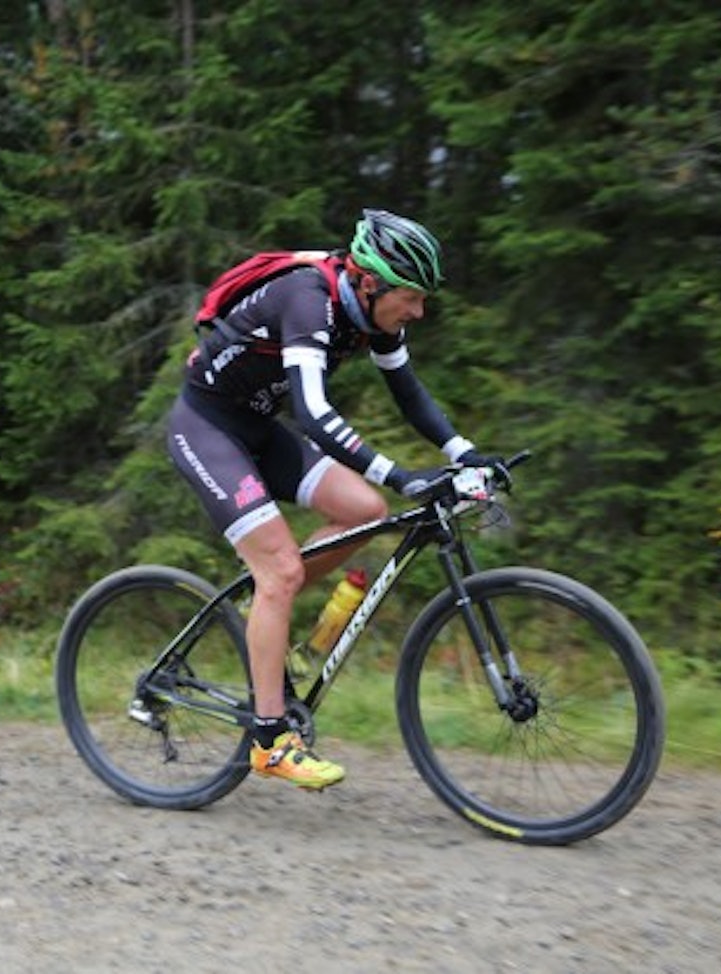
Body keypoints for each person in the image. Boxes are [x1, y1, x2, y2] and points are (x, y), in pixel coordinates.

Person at [166, 209, 501, 790]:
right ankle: (269, 741)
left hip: (258, 427)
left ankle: (264, 613)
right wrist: (400, 475)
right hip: (207, 428)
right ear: (371, 283)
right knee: (281, 573)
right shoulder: (307, 298)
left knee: (364, 513)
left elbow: (410, 395)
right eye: (412, 298)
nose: (418, 312)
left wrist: (463, 452)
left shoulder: (373, 313)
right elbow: (315, 415)